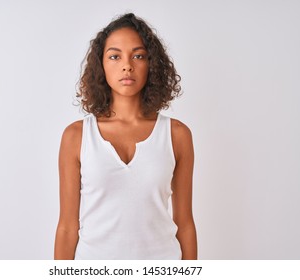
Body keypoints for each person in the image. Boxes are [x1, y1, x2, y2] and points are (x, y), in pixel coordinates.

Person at [54, 13, 197, 260]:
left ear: (151, 64)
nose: (127, 65)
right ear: (101, 65)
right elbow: (67, 227)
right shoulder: (76, 136)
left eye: (138, 56)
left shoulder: (177, 135)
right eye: (115, 56)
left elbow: (184, 223)